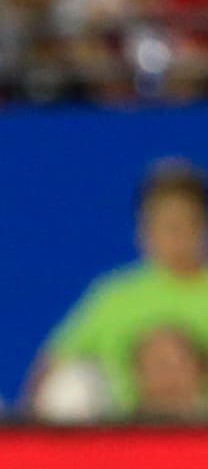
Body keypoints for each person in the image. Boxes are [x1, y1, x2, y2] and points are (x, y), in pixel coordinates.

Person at [34, 158, 208, 420]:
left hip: (199, 428)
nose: (177, 237)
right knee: (70, 385)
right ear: (144, 231)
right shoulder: (114, 295)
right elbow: (52, 366)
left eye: (186, 223)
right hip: (123, 431)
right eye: (166, 225)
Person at [131, 325, 207, 421]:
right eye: (159, 368)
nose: (171, 378)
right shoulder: (120, 432)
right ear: (139, 376)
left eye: (179, 366)